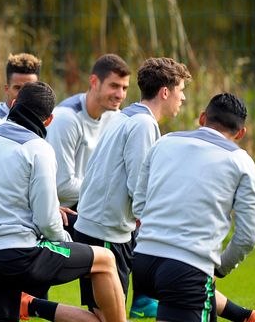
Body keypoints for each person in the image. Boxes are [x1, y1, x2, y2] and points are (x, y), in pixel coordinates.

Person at [0, 81, 127, 322]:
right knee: (105, 260)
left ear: (14, 105)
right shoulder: (38, 147)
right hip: (18, 254)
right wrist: (67, 241)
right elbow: (47, 220)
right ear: (48, 120)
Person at [132, 93, 255, 322]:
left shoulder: (165, 141)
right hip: (186, 270)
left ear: (202, 118)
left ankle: (252, 318)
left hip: (142, 262)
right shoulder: (240, 161)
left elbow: (139, 202)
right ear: (241, 133)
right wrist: (218, 269)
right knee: (195, 291)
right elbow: (248, 235)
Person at [74, 57, 191, 321]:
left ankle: (37, 307)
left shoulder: (125, 115)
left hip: (100, 228)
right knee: (110, 318)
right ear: (165, 92)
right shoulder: (144, 124)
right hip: (106, 232)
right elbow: (140, 187)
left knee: (104, 316)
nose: (182, 98)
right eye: (180, 91)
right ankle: (37, 307)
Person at [44, 53, 130, 236]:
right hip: (63, 214)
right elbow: (62, 187)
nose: (120, 95)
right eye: (114, 86)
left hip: (91, 206)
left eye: (124, 88)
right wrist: (110, 191)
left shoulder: (115, 117)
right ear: (94, 82)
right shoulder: (66, 118)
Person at [0, 53, 41, 126]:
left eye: (29, 88)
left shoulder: (44, 120)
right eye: (18, 88)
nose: (23, 94)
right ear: (7, 89)